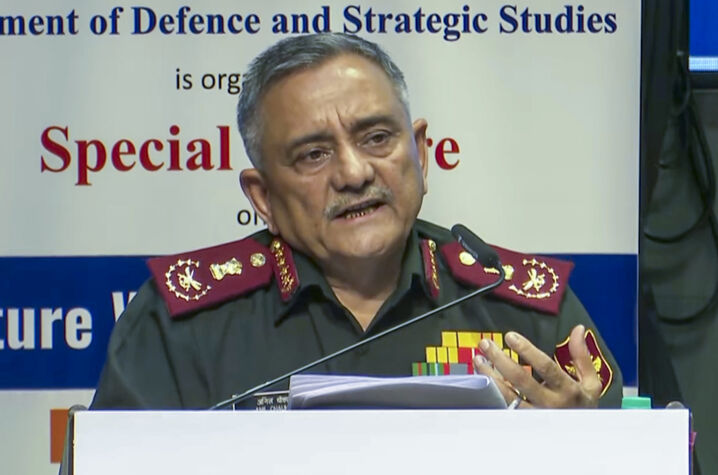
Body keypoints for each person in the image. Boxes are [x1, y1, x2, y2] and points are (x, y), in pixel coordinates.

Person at [91, 33, 622, 410]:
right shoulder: (182, 324)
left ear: (420, 153)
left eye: (377, 138)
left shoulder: (524, 309)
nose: (353, 172)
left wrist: (586, 445)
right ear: (263, 196)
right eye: (314, 155)